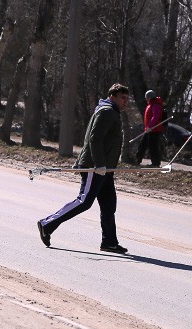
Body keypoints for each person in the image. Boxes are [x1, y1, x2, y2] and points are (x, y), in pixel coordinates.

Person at [37, 83, 130, 253]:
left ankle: (109, 242)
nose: (126, 102)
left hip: (106, 169)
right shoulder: (107, 112)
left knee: (109, 205)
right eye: (123, 98)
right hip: (94, 167)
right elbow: (95, 139)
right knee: (84, 201)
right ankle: (47, 224)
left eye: (127, 98)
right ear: (113, 96)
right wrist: (99, 163)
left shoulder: (111, 111)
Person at [135, 90, 164, 166]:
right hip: (149, 130)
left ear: (149, 97)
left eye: (146, 97)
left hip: (154, 129)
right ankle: (137, 160)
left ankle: (155, 163)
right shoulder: (150, 104)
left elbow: (156, 116)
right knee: (142, 145)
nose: (146, 99)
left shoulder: (156, 105)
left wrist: (150, 126)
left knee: (153, 146)